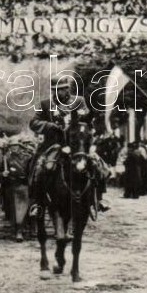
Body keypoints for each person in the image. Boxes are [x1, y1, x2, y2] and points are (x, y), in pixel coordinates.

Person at [27, 76, 93, 216]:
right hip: (53, 144)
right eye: (56, 90)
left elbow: (87, 118)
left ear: (68, 88)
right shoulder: (45, 104)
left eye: (63, 89)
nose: (60, 92)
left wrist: (79, 121)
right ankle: (37, 203)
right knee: (39, 167)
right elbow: (33, 123)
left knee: (96, 164)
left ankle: (96, 200)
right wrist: (49, 125)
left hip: (76, 144)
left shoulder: (79, 101)